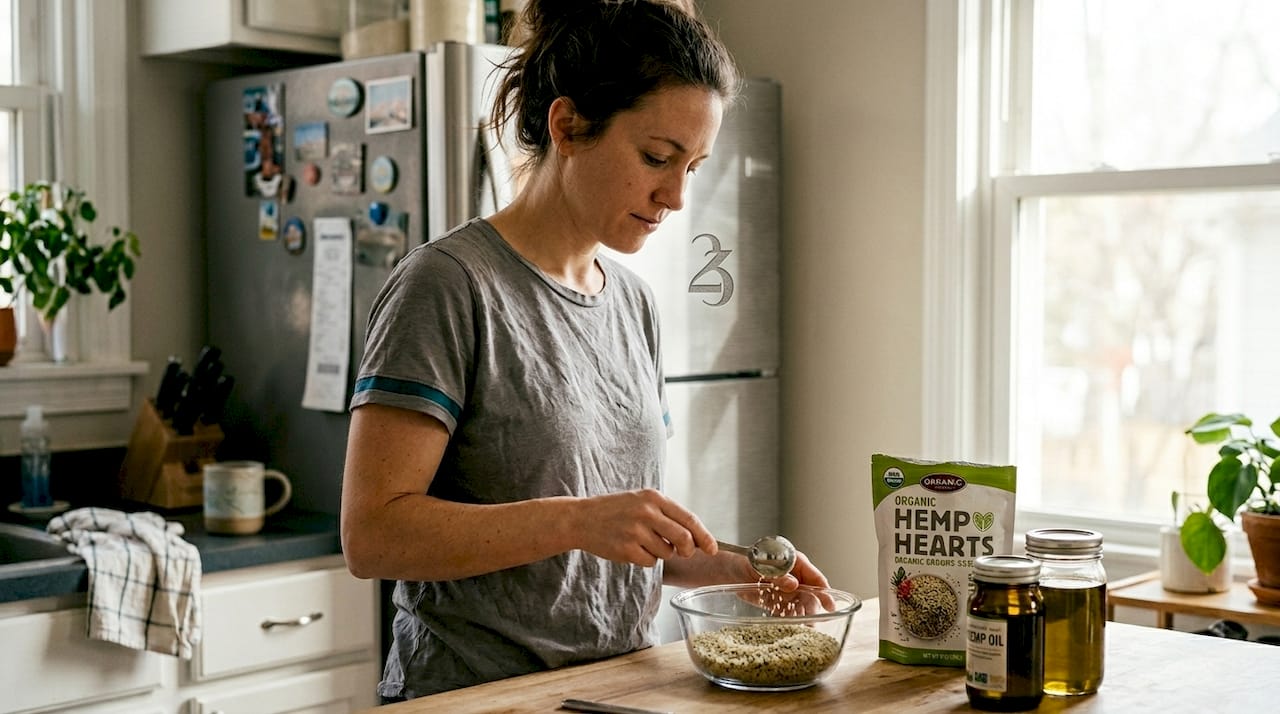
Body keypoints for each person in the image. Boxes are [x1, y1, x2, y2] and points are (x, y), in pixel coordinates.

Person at [339, 0, 830, 701]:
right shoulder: (448, 286)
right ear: (566, 126)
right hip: (476, 697)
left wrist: (741, 567)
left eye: (693, 167)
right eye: (657, 158)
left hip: (615, 691)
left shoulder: (633, 303)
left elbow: (617, 549)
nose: (676, 196)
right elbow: (373, 535)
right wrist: (576, 518)